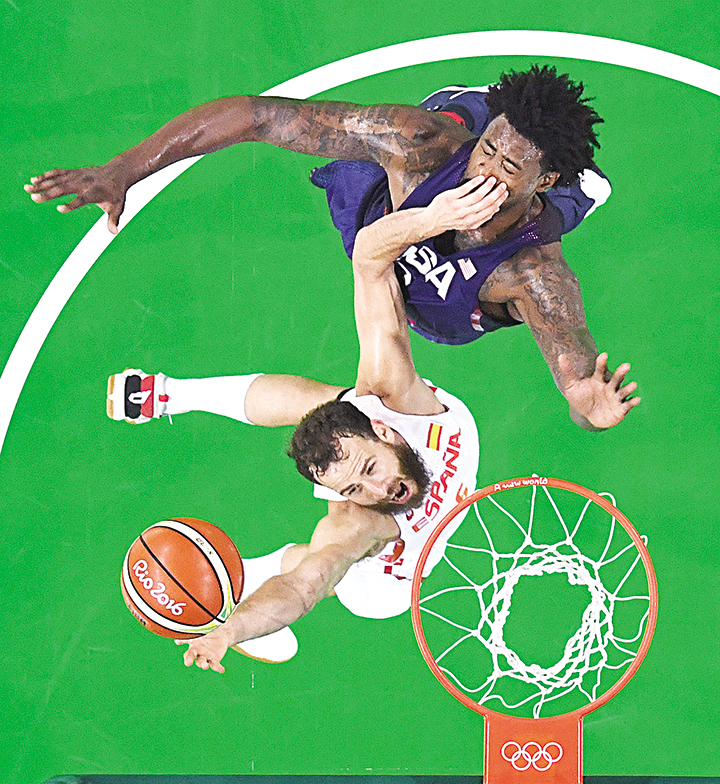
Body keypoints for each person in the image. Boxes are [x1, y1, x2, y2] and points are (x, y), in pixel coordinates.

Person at [26, 65, 638, 430]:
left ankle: (575, 191)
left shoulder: (538, 279)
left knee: (547, 217)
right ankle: (473, 106)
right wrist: (125, 169)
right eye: (489, 149)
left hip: (448, 308)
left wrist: (590, 410)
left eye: (508, 165)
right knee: (444, 122)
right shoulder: (416, 145)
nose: (486, 169)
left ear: (539, 176)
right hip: (378, 210)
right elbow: (256, 116)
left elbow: (581, 398)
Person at [109, 178, 499, 671]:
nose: (378, 488)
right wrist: (233, 631)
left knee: (328, 406)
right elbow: (303, 586)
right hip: (383, 582)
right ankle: (240, 591)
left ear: (382, 430)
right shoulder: (362, 521)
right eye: (354, 487)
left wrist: (435, 218)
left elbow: (369, 256)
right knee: (318, 557)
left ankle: (170, 394)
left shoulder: (388, 392)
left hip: (418, 431)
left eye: (368, 468)